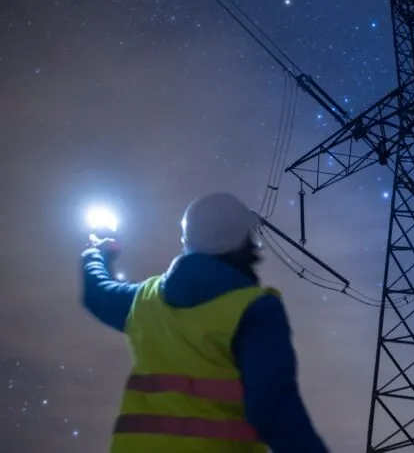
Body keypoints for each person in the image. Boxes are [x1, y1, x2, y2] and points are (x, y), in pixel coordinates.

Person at [81, 192, 329, 453]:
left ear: (187, 241)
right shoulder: (255, 309)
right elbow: (274, 409)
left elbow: (97, 292)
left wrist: (96, 253)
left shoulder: (145, 300)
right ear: (246, 242)